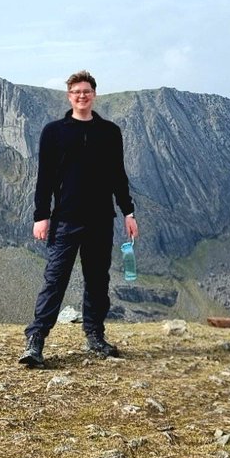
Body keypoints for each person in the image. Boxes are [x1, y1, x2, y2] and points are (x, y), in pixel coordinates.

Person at [20, 71, 139, 368]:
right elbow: (44, 179)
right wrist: (41, 216)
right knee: (55, 280)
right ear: (69, 96)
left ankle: (95, 336)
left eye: (86, 91)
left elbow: (118, 177)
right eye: (76, 92)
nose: (82, 96)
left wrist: (128, 212)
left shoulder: (110, 133)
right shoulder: (54, 132)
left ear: (94, 94)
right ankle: (36, 341)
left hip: (100, 219)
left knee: (98, 281)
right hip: (65, 220)